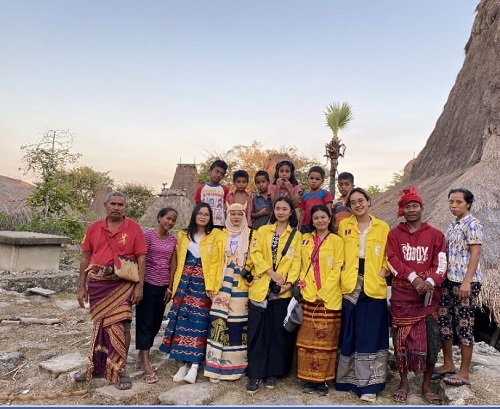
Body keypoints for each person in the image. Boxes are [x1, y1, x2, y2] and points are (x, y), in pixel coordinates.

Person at [75, 191, 147, 390]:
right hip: (97, 284)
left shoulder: (134, 228)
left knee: (122, 326)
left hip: (123, 284)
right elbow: (85, 258)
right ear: (105, 206)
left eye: (120, 204)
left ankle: (121, 369)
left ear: (125, 207)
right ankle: (98, 366)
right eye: (113, 204)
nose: (116, 207)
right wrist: (82, 286)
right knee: (100, 327)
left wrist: (140, 286)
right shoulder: (94, 228)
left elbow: (141, 257)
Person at [386, 187, 447, 404]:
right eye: (407, 206)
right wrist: (414, 278)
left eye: (415, 206)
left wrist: (429, 282)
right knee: (401, 339)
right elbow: (392, 260)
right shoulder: (394, 234)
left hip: (428, 297)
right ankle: (403, 383)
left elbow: (441, 263)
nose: (411, 210)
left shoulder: (436, 235)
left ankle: (426, 385)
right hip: (403, 294)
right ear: (402, 210)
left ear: (422, 208)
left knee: (431, 339)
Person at [160, 203, 225, 384]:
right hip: (184, 284)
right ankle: (182, 364)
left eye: (206, 214)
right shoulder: (183, 235)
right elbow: (176, 261)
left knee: (199, 323)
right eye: (200, 213)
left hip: (204, 285)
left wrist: (214, 286)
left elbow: (218, 262)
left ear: (210, 218)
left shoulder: (217, 235)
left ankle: (195, 365)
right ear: (194, 215)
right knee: (182, 322)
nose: (203, 217)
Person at [335, 187, 390, 402]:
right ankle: (347, 380)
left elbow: (389, 253)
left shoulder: (382, 226)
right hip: (350, 282)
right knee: (350, 330)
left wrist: (383, 270)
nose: (358, 205)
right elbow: (339, 252)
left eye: (361, 201)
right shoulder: (344, 226)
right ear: (349, 207)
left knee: (372, 332)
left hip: (373, 282)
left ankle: (371, 385)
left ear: (369, 202)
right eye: (353, 203)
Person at [246, 196, 302, 395]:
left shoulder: (296, 235)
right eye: (277, 208)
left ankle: (273, 372)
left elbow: (297, 261)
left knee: (278, 334)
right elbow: (255, 253)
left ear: (290, 212)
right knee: (257, 331)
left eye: (284, 209)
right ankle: (255, 373)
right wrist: (270, 272)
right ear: (273, 211)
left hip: (282, 292)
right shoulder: (262, 231)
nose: (280, 212)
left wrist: (288, 283)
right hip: (261, 287)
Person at [436, 188, 483, 387]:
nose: (453, 206)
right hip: (449, 280)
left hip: (465, 282)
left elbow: (475, 254)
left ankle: (463, 373)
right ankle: (448, 364)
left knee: (464, 325)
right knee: (445, 321)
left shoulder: (473, 224)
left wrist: (466, 281)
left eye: (458, 202)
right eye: (451, 202)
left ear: (468, 204)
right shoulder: (452, 225)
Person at [297, 204, 344, 397]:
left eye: (323, 217)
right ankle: (308, 379)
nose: (320, 221)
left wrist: (323, 292)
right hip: (308, 296)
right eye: (316, 218)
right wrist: (309, 289)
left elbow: (338, 268)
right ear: (312, 221)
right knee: (307, 343)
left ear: (329, 218)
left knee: (326, 344)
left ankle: (323, 380)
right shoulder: (305, 240)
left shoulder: (337, 241)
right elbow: (301, 265)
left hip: (329, 299)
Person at [204, 202, 252, 382]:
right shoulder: (220, 235)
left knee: (238, 324)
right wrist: (210, 285)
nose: (236, 217)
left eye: (239, 214)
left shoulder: (250, 234)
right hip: (222, 282)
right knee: (218, 322)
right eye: (233, 214)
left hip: (241, 284)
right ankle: (215, 367)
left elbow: (252, 260)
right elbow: (213, 261)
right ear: (228, 215)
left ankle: (236, 367)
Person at [135, 207, 178, 384]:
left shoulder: (173, 239)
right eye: (167, 218)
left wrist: (170, 287)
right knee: (144, 322)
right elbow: (141, 258)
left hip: (162, 287)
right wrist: (139, 285)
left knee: (155, 323)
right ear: (159, 218)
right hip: (147, 284)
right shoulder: (148, 236)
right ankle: (146, 362)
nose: (170, 222)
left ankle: (141, 355)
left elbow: (173, 264)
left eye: (173, 220)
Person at [194, 159, 229, 228]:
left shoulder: (225, 189)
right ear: (210, 171)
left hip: (219, 223)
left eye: (222, 174)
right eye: (217, 171)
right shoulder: (201, 188)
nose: (219, 175)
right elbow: (197, 206)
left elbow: (226, 205)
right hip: (204, 222)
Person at [299, 166, 333, 234]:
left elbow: (329, 211)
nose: (314, 181)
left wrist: (327, 226)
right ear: (307, 179)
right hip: (305, 226)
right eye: (311, 178)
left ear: (322, 181)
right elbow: (302, 215)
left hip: (319, 225)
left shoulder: (325, 194)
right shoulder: (304, 197)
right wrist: (299, 229)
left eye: (317, 179)